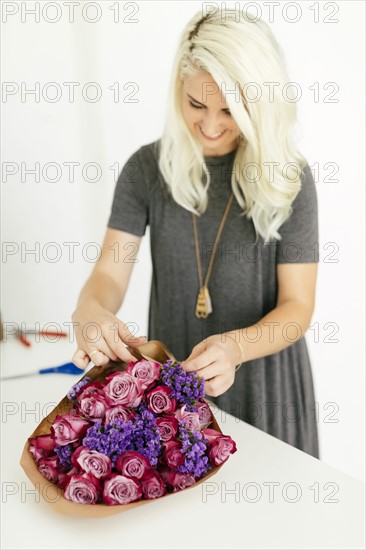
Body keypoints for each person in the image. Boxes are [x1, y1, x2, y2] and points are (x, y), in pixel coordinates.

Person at [71, 8, 320, 458]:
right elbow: (110, 273)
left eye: (230, 109)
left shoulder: (290, 177)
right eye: (196, 105)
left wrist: (236, 348)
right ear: (178, 92)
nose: (209, 126)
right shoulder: (144, 170)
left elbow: (298, 307)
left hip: (267, 392)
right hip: (173, 397)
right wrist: (89, 310)